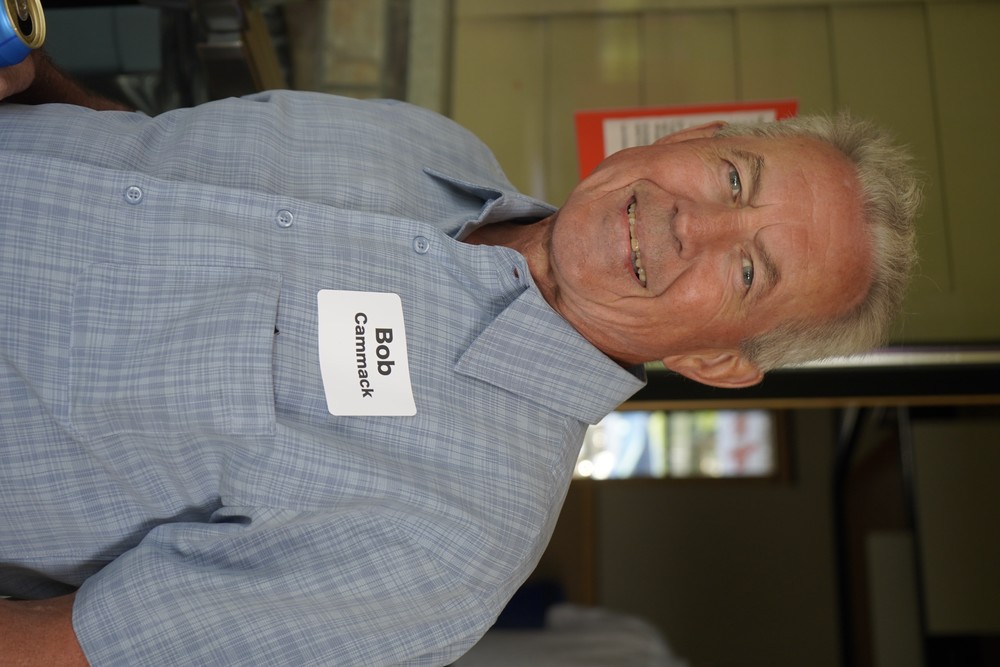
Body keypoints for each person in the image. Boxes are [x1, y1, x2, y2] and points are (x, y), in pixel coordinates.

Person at [0, 52, 920, 666]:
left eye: (749, 269)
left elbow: (57, 652)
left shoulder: (447, 557)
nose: (695, 224)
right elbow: (150, 156)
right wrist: (33, 75)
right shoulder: (433, 143)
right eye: (733, 178)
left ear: (717, 359)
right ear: (687, 141)